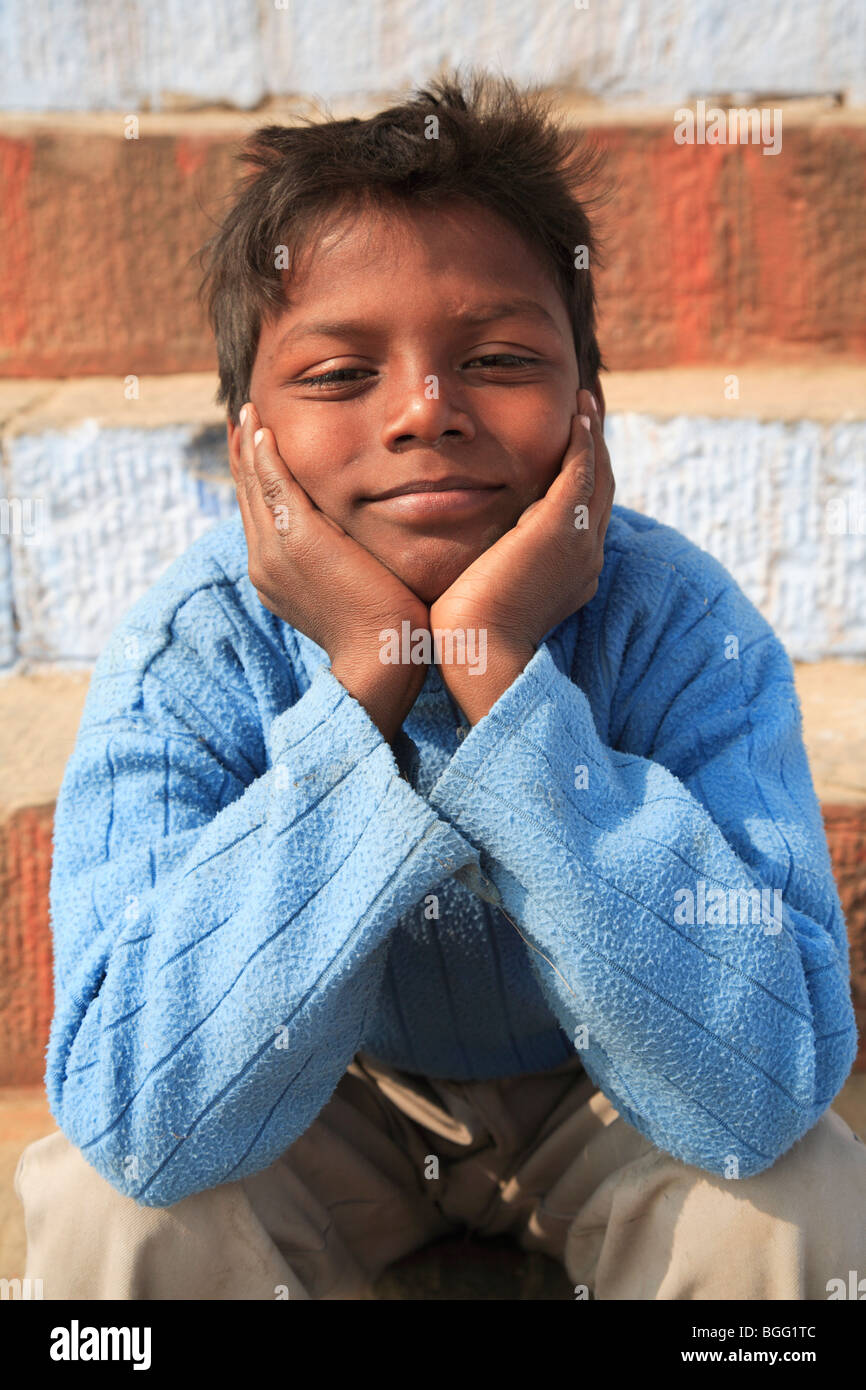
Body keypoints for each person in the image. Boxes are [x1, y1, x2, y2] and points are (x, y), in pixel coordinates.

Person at [16, 68, 866, 1300]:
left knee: (791, 1201)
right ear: (247, 443)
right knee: (114, 1210)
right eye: (337, 374)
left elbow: (765, 1085)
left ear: (587, 411)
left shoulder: (684, 631)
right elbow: (141, 1112)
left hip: (612, 1092)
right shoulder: (191, 654)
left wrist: (497, 675)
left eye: (497, 357)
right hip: (324, 1094)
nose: (425, 411)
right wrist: (364, 685)